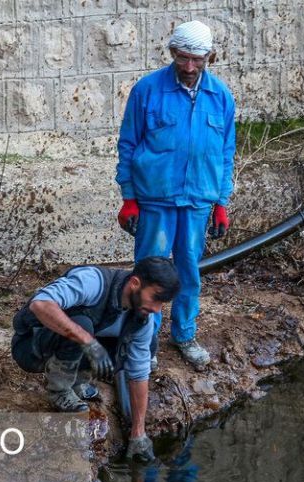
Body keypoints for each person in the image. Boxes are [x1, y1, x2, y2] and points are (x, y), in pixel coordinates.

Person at [114, 20, 236, 368]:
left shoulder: (220, 97)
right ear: (172, 53)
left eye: (198, 59)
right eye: (182, 58)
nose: (189, 67)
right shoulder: (148, 91)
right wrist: (129, 197)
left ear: (209, 56)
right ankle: (143, 344)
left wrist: (222, 202)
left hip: (198, 202)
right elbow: (128, 144)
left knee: (188, 272)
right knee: (150, 273)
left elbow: (226, 152)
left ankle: (184, 334)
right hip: (155, 200)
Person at [11, 256, 180, 462]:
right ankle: (60, 390)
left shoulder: (142, 317)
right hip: (32, 346)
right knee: (82, 325)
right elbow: (40, 305)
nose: (156, 309)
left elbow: (138, 372)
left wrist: (139, 433)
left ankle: (79, 381)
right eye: (155, 298)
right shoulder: (93, 281)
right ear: (135, 283)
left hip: (74, 347)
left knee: (147, 344)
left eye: (162, 303)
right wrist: (87, 342)